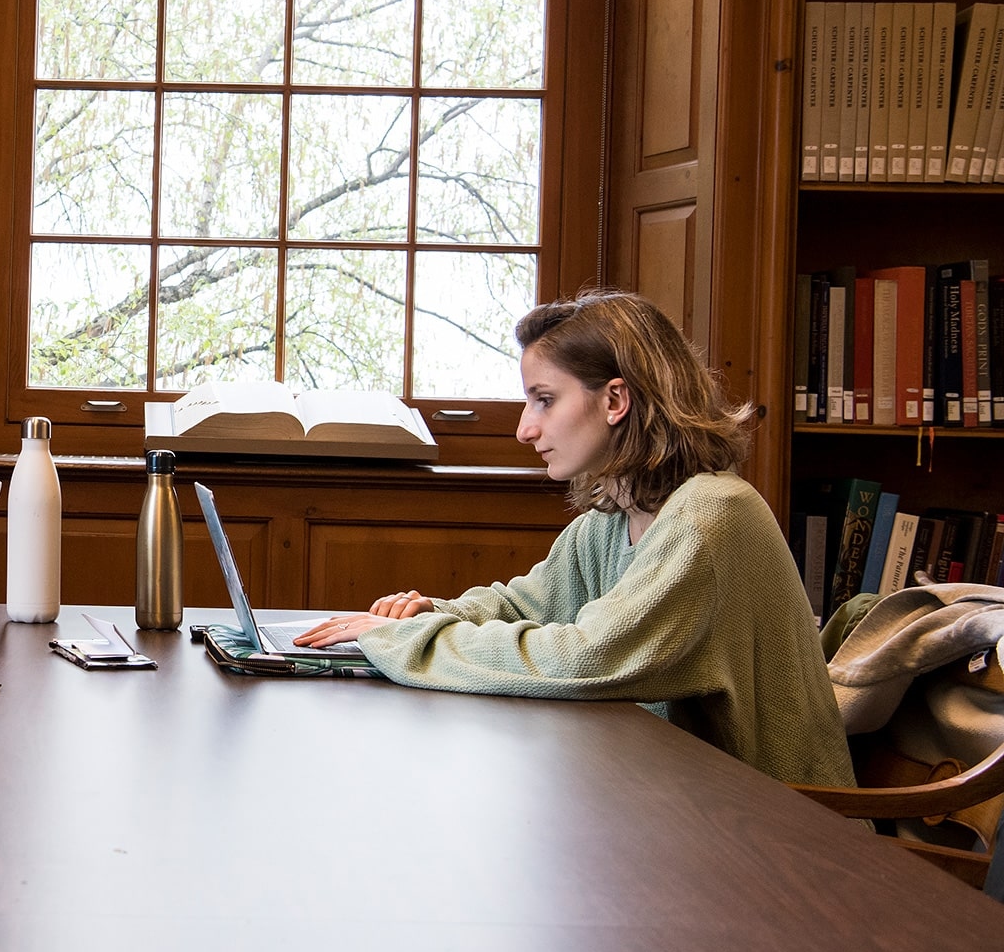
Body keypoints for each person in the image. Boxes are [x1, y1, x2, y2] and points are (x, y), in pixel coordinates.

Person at [294, 290, 854, 788]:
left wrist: (412, 643)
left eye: (544, 399)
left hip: (783, 843)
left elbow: (585, 659)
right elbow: (521, 606)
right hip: (683, 809)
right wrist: (423, 614)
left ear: (615, 400)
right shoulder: (610, 519)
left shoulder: (711, 517)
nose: (523, 428)